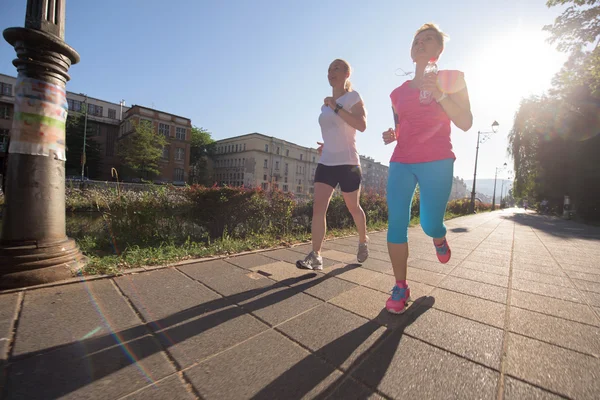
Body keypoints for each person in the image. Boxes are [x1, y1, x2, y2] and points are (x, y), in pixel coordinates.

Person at [382, 23, 473, 314]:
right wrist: (392, 134)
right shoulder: (397, 93)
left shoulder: (452, 78)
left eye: (428, 39)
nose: (420, 43)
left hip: (437, 159)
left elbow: (466, 122)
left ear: (439, 50)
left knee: (428, 223)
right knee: (396, 222)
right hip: (402, 160)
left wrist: (441, 95)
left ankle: (439, 236)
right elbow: (401, 125)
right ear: (412, 51)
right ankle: (400, 286)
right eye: (417, 40)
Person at [297, 59, 369, 270]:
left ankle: (363, 241)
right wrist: (326, 145)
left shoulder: (352, 97)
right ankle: (316, 256)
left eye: (336, 68)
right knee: (318, 208)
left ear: (347, 73)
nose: (331, 72)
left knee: (353, 207)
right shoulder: (325, 105)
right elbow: (333, 131)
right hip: (327, 161)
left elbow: (361, 125)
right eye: (329, 69)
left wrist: (335, 106)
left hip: (348, 163)